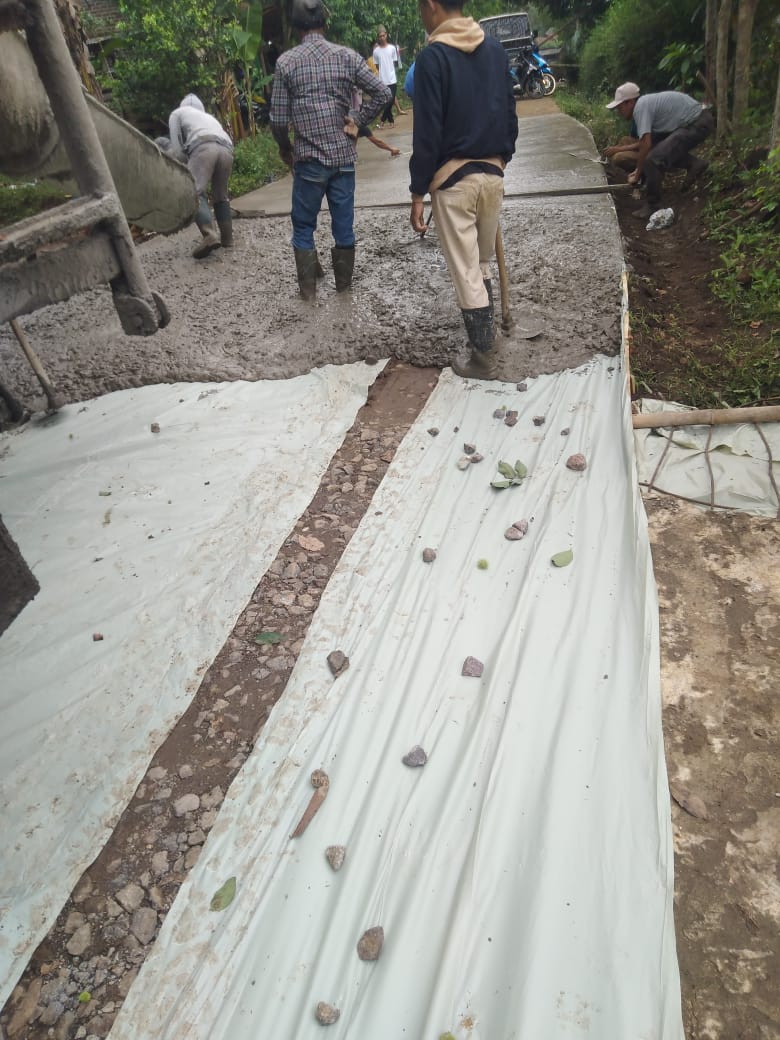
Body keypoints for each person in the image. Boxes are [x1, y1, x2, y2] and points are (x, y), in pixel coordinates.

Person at [410, 0, 518, 380]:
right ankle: (487, 339)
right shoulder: (495, 50)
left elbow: (427, 132)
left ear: (432, 6)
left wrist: (418, 192)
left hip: (453, 181)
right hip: (493, 174)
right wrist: (502, 158)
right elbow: (510, 112)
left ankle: (483, 359)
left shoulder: (432, 59)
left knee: (467, 271)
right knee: (481, 262)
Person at [270, 0, 390, 300]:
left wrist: (285, 149)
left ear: (296, 28)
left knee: (303, 228)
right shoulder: (347, 56)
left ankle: (308, 297)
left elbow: (278, 120)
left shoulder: (286, 63)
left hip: (309, 161)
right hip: (343, 160)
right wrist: (358, 120)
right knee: (344, 228)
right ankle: (344, 294)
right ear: (325, 24)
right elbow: (382, 92)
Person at [606, 82, 714, 218]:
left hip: (696, 123)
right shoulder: (644, 104)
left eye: (620, 107)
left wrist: (637, 173)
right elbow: (646, 142)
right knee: (660, 150)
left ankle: (653, 205)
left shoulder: (640, 108)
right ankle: (694, 164)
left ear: (630, 102)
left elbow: (645, 144)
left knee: (652, 159)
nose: (619, 112)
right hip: (695, 121)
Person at [167, 93, 234, 258]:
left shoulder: (177, 114)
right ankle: (227, 239)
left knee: (194, 191)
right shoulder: (209, 117)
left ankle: (210, 235)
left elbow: (178, 150)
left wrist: (184, 163)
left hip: (203, 146)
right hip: (227, 149)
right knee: (221, 195)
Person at [373, 25, 400, 128]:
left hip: (392, 79)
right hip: (382, 80)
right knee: (386, 102)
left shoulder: (392, 48)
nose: (382, 38)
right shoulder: (376, 51)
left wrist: (390, 71)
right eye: (380, 36)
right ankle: (391, 121)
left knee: (391, 100)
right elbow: (377, 66)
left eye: (383, 35)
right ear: (378, 37)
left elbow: (394, 62)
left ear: (386, 35)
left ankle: (382, 121)